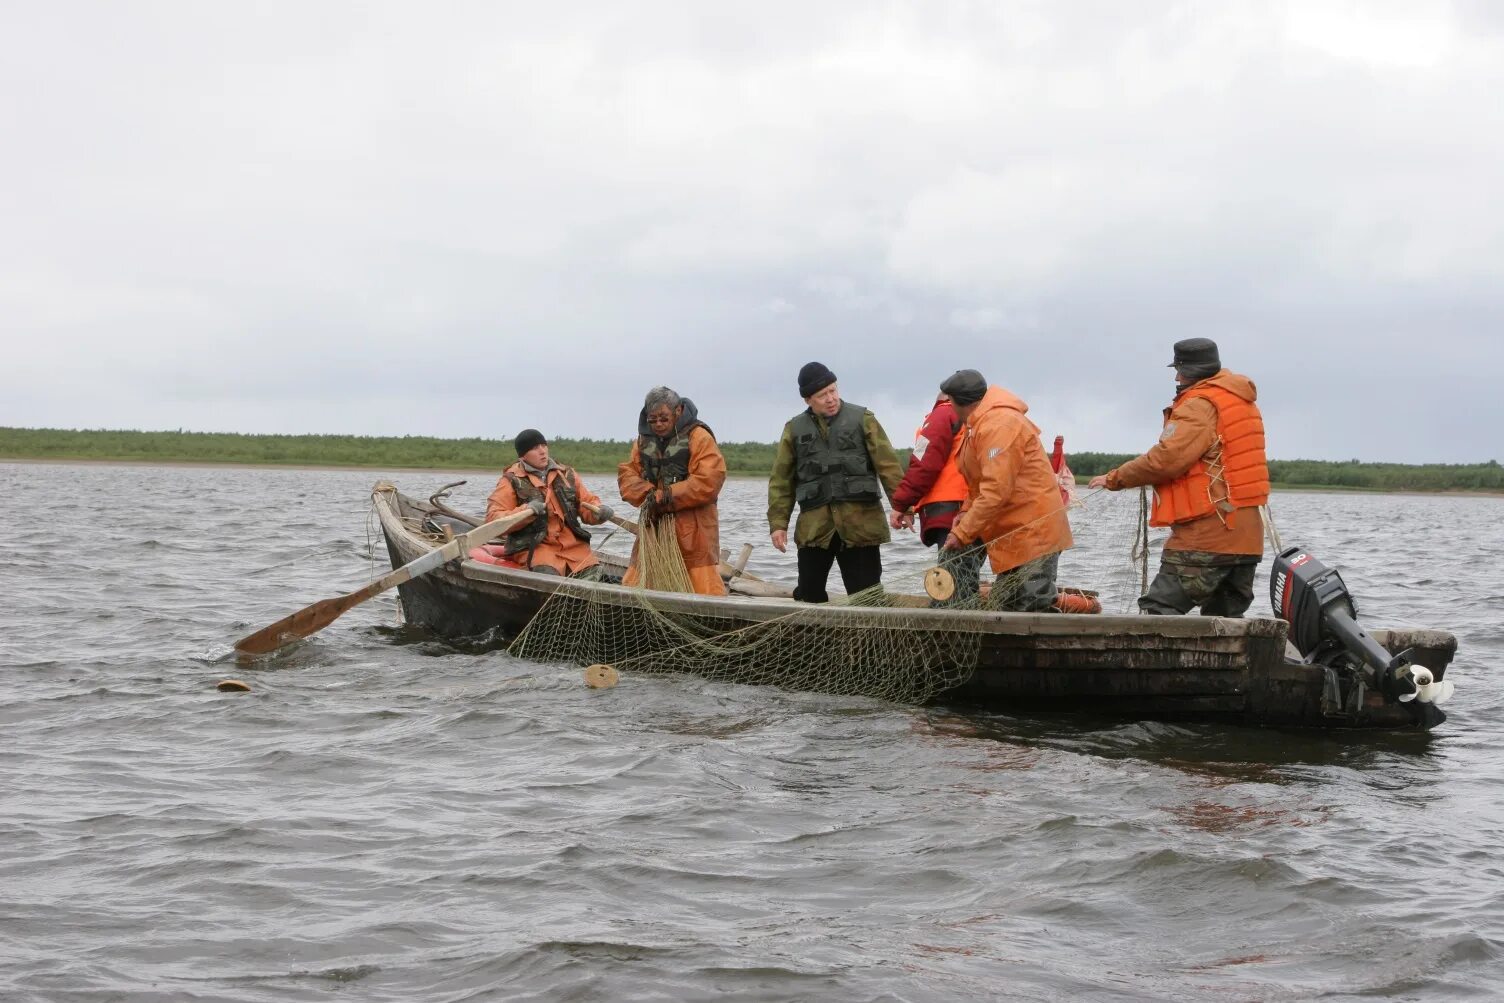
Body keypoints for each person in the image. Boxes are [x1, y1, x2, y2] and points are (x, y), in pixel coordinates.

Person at [1087, 338, 1269, 616]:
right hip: (1247, 538)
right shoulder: (1240, 400)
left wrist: (1115, 478)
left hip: (1209, 533)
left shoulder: (1199, 404)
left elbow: (1165, 460)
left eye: (1179, 370)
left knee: (1159, 612)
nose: (1176, 377)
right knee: (1225, 619)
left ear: (1191, 372)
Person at [937, 369, 1074, 611]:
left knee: (1031, 608)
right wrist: (965, 513)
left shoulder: (999, 425)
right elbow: (978, 484)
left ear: (958, 403)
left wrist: (962, 534)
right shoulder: (978, 425)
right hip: (1012, 535)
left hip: (1034, 533)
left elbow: (995, 491)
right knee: (1007, 606)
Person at [767, 362, 904, 603]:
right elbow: (781, 481)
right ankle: (813, 639)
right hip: (815, 529)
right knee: (809, 594)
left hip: (860, 526)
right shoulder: (793, 429)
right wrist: (778, 524)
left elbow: (889, 466)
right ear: (808, 400)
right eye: (822, 395)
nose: (831, 398)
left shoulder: (864, 419)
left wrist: (904, 506)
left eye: (833, 390)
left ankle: (870, 639)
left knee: (867, 598)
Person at [617, 387, 728, 596]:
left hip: (694, 529)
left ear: (678, 411)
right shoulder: (642, 442)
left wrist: (667, 495)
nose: (658, 424)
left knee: (703, 587)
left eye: (663, 418)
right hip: (653, 527)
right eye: (652, 420)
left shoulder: (699, 437)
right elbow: (627, 475)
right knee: (636, 582)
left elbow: (709, 480)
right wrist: (648, 494)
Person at [485, 429, 612, 577]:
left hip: (573, 549)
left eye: (543, 445)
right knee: (547, 575)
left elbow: (587, 503)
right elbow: (492, 519)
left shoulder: (567, 474)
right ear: (523, 456)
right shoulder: (510, 480)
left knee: (596, 575)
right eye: (534, 448)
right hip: (535, 548)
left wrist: (599, 512)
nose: (542, 451)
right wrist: (526, 511)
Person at [888, 391, 968, 548]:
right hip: (975, 509)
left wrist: (901, 505)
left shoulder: (942, 415)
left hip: (949, 509)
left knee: (952, 571)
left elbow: (924, 466)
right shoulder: (977, 418)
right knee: (967, 569)